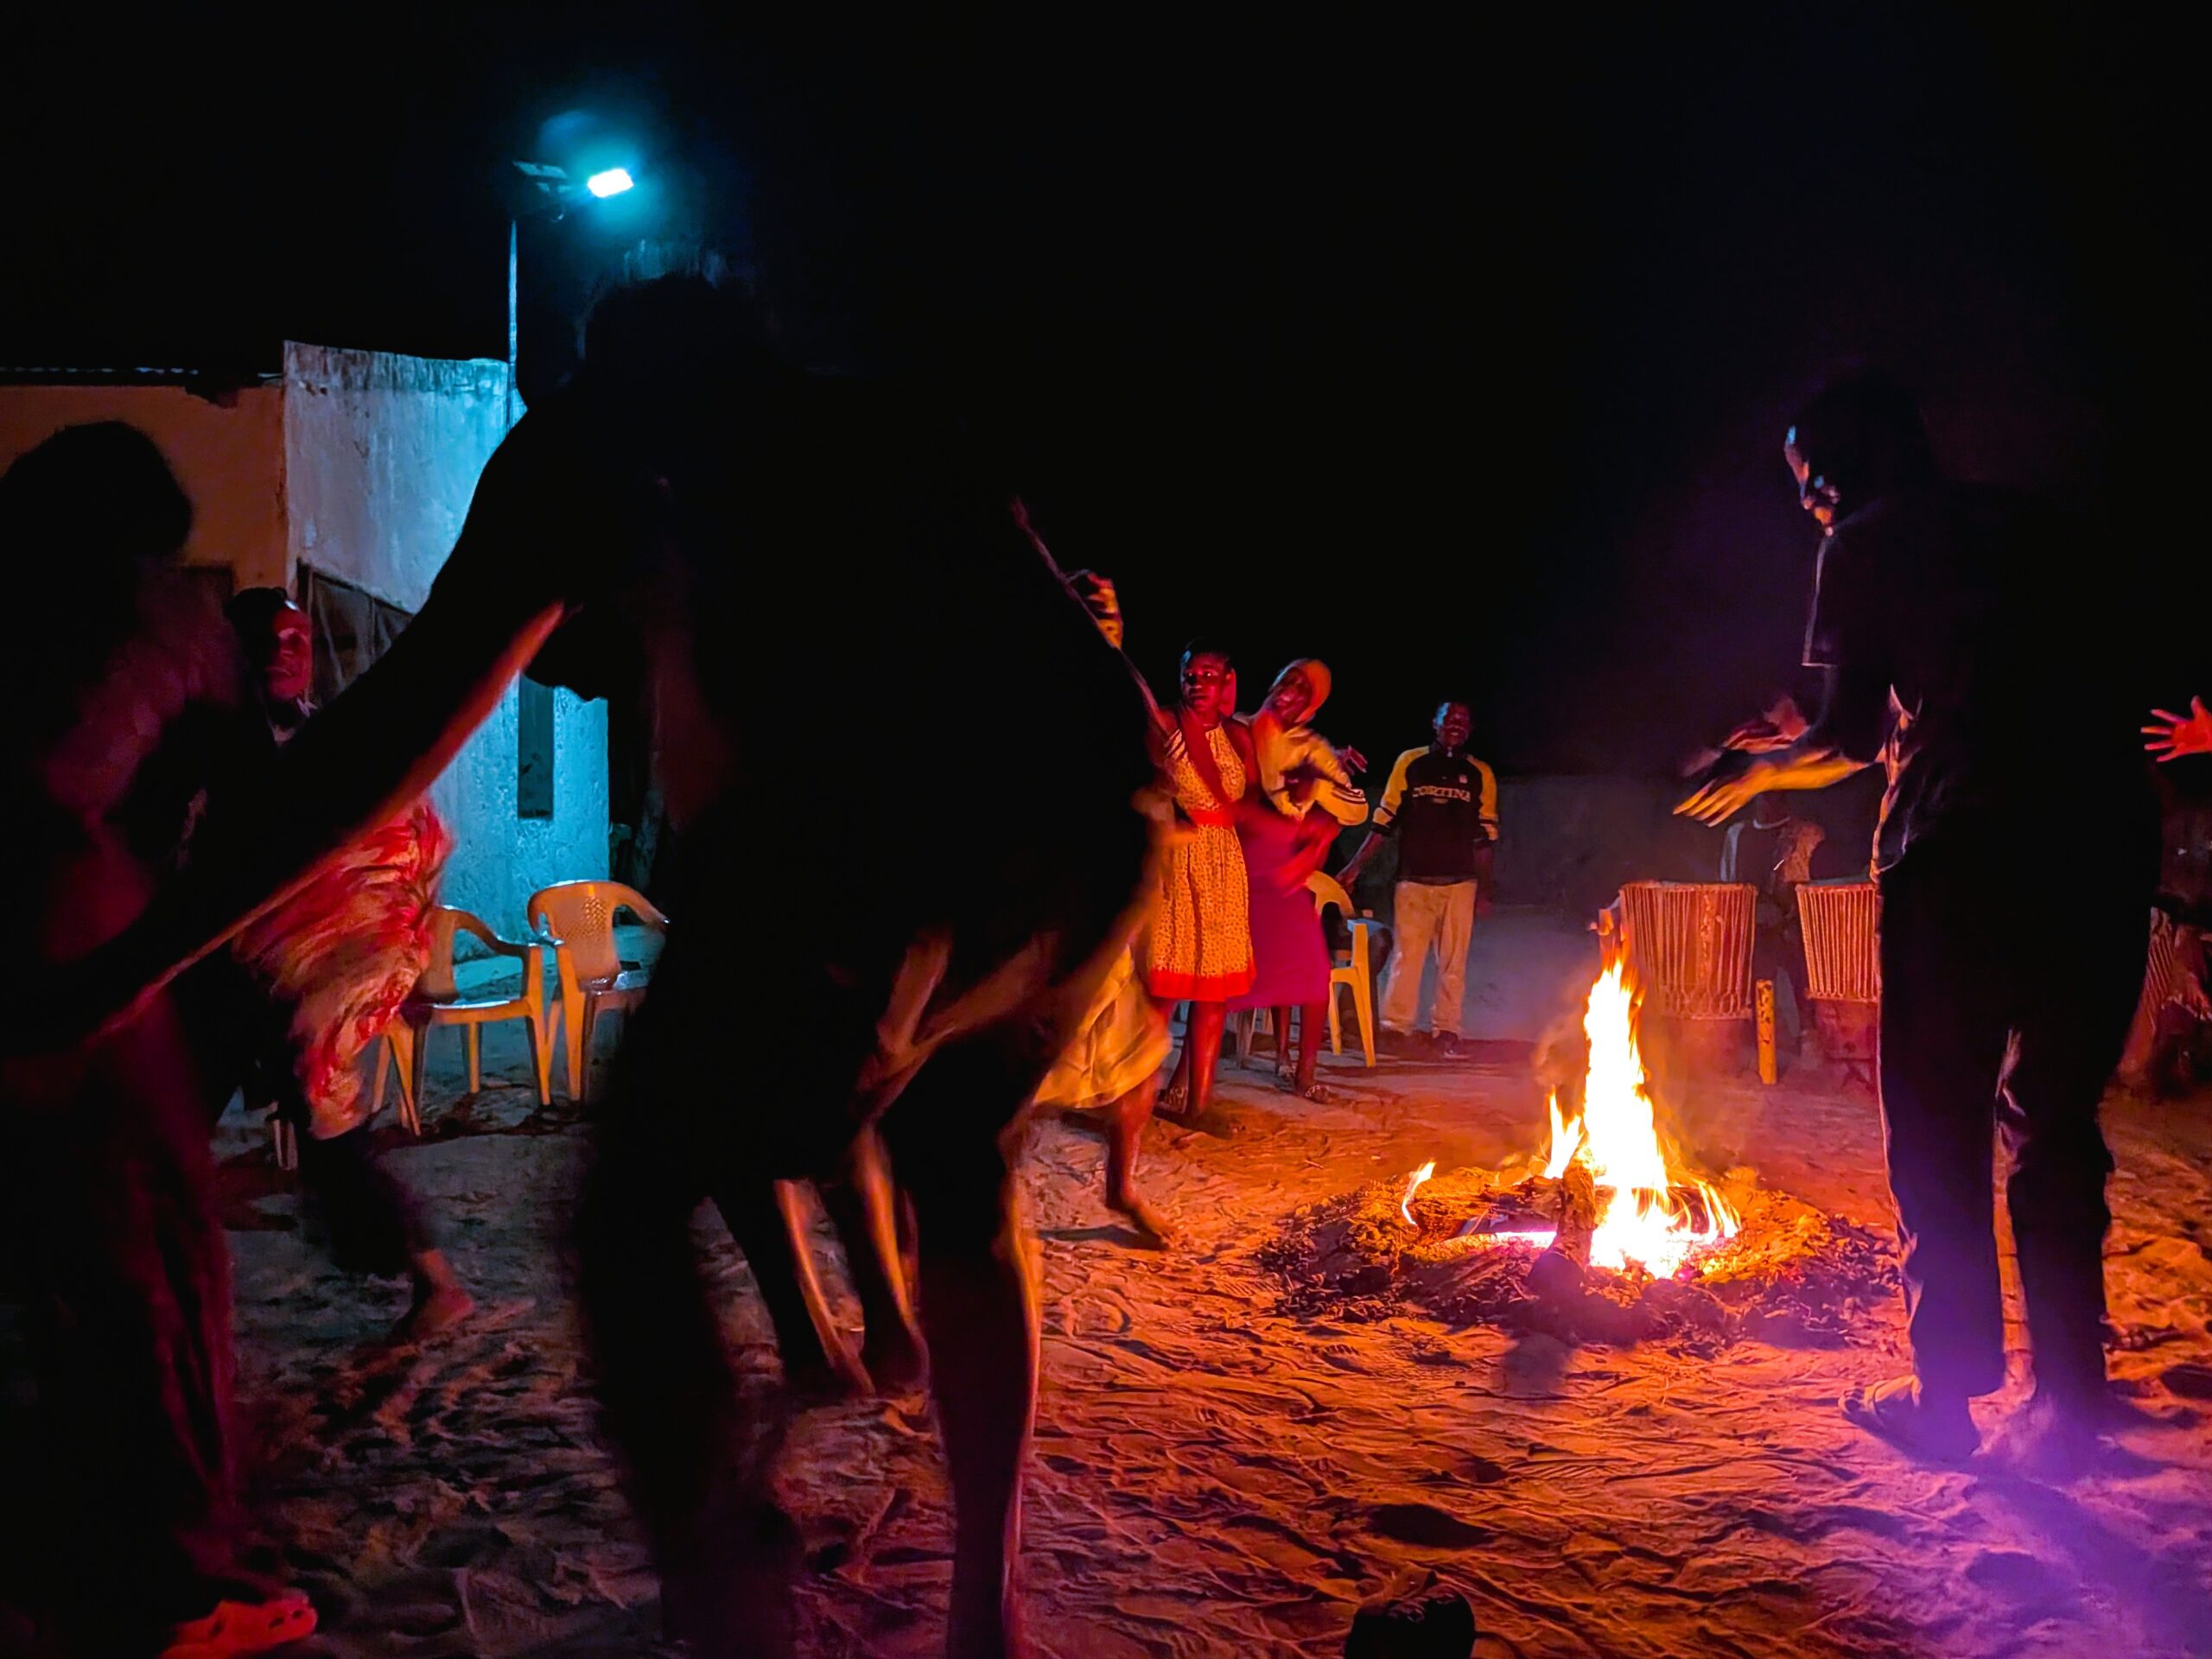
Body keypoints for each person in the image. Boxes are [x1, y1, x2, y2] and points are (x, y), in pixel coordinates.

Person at [31, 276, 1158, 1659]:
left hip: (892, 810)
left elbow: (381, 740)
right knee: (962, 1166)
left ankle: (728, 1581)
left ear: (596, 372)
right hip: (1097, 806)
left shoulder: (598, 445)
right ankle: (985, 1608)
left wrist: (131, 962)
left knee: (630, 1204)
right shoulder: (876, 424)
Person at [1680, 370, 2156, 1467]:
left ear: (1844, 463)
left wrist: (1759, 777)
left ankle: (1944, 1397)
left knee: (1936, 1129)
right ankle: (2069, 1396)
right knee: (2055, 1119)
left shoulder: (1864, 540)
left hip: (1964, 851)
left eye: (1808, 476)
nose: (1807, 500)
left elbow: (1849, 736)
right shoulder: (2040, 525)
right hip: (2099, 842)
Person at [0, 426, 316, 1656]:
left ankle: (84, 1555)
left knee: (62, 1269)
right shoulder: (162, 614)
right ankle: (177, 1592)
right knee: (152, 1267)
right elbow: (253, 825)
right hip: (80, 926)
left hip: (62, 937)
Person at [220, 588, 474, 1339]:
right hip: (273, 967)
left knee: (328, 1115)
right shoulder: (226, 751)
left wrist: (419, 966)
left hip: (345, 964)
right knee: (318, 1122)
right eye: (267, 640)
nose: (284, 652)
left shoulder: (335, 746)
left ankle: (434, 1282)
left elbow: (423, 844)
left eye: (297, 638)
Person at [1230, 660, 1368, 1100]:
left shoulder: (1310, 747)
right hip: (1235, 857)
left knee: (1311, 971)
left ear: (1311, 708)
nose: (1289, 693)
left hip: (1284, 869)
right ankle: (1188, 1084)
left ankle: (1304, 1073)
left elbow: (1355, 809)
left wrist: (1319, 800)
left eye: (1302, 692)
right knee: (1217, 975)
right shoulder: (1237, 728)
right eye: (1286, 682)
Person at [1336, 702, 1498, 1058]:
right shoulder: (1410, 762)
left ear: (1469, 729)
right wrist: (1354, 867)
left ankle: (1447, 1030)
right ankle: (1395, 1028)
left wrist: (1485, 891)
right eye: (1448, 719)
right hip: (1412, 880)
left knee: (1454, 961)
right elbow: (1385, 820)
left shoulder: (1479, 773)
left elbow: (1485, 838)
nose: (1455, 725)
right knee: (1406, 958)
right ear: (1435, 724)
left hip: (1460, 883)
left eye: (1462, 720)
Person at [1148, 640, 1257, 1122]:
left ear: (1226, 682)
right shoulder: (1166, 723)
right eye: (1191, 675)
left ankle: (1198, 1104)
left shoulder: (1238, 734)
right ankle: (1133, 1097)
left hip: (1224, 865)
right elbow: (1137, 783)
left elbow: (1251, 801)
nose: (1197, 683)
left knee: (1213, 992)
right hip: (1177, 858)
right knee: (1163, 991)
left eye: (1209, 675)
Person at [1719, 792, 1824, 1060]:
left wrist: (1787, 911)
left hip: (1792, 922)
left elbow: (1814, 887)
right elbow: (1728, 884)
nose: (1766, 801)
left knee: (1801, 953)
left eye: (1774, 793)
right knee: (1740, 957)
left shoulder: (1804, 833)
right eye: (1761, 795)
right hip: (1748, 922)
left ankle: (1808, 1033)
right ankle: (1748, 1036)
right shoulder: (1737, 834)